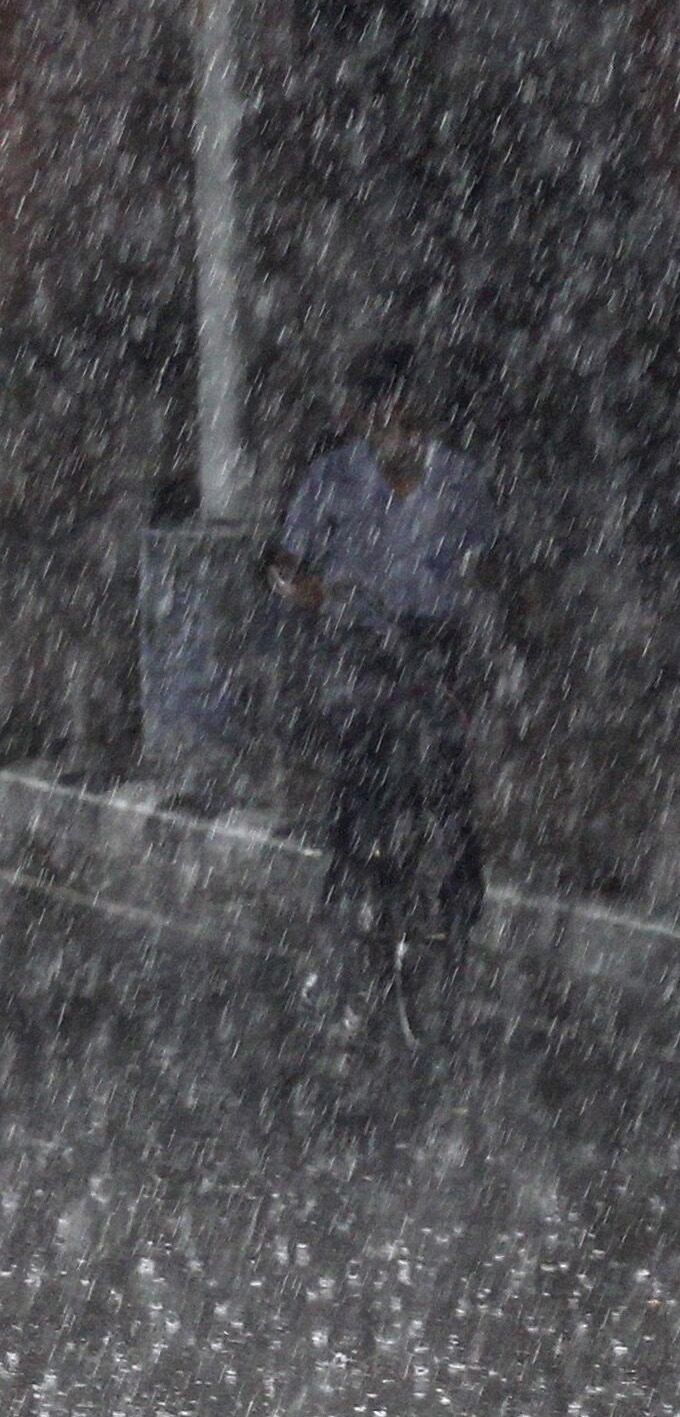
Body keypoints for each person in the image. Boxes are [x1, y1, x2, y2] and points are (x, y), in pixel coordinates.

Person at [264, 344, 502, 995]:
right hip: (360, 641)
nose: (397, 428)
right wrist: (309, 591)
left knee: (448, 770)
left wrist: (484, 606)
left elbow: (488, 567)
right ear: (366, 420)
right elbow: (284, 562)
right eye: (383, 414)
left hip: (435, 645)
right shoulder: (332, 479)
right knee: (359, 762)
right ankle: (343, 897)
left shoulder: (459, 483)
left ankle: (456, 912)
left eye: (408, 414)